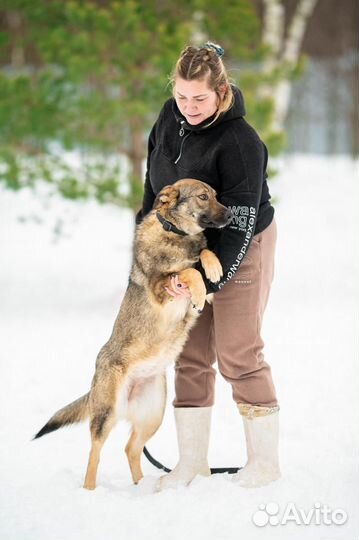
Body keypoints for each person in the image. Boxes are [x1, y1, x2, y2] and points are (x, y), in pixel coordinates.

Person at [136, 42, 280, 489]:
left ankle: (265, 465)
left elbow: (239, 223)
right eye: (182, 97)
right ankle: (191, 463)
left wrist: (206, 275)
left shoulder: (240, 142)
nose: (189, 107)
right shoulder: (167, 118)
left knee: (238, 352)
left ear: (221, 91)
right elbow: (151, 188)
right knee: (190, 353)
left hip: (242, 242)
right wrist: (149, 259)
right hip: (181, 249)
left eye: (199, 98)